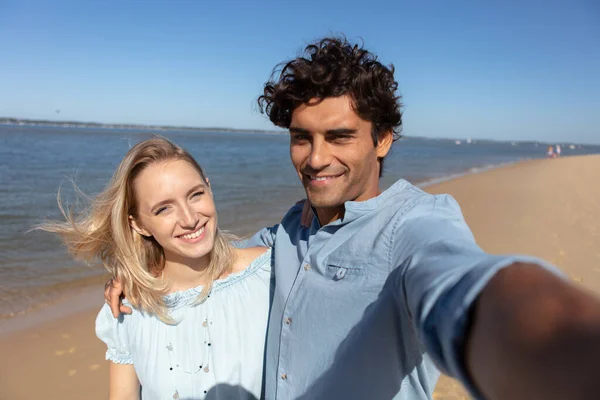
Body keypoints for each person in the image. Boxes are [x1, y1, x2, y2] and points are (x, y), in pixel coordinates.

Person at [108, 37, 600, 399]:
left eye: (339, 136)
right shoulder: (289, 231)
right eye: (302, 137)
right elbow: (217, 260)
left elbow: (462, 288)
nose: (315, 158)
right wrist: (137, 269)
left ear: (382, 138)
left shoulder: (412, 226)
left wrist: (561, 344)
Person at [42, 137, 271, 400]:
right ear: (139, 224)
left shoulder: (269, 274)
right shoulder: (129, 307)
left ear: (210, 188)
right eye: (164, 209)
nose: (190, 219)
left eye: (195, 194)